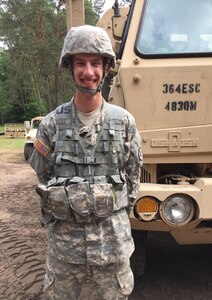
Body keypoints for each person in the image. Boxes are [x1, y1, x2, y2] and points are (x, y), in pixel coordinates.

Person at [29, 25, 143, 300]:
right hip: (65, 250)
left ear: (105, 68)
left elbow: (132, 181)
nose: (88, 72)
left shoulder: (124, 122)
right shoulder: (51, 125)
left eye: (95, 63)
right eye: (80, 63)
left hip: (112, 245)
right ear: (70, 67)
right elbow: (43, 179)